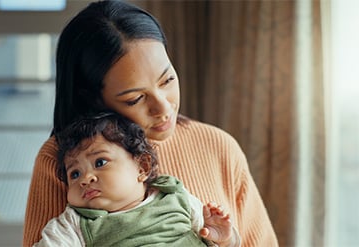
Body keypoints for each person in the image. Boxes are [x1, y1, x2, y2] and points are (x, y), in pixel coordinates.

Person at [23, 0, 278, 246]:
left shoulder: (218, 146)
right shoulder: (64, 160)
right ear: (94, 101)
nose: (164, 108)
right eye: (135, 99)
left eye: (167, 80)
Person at [33, 113, 241, 246]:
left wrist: (225, 239)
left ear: (142, 167)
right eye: (74, 174)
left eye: (100, 162)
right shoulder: (78, 221)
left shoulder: (175, 197)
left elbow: (213, 238)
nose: (85, 179)